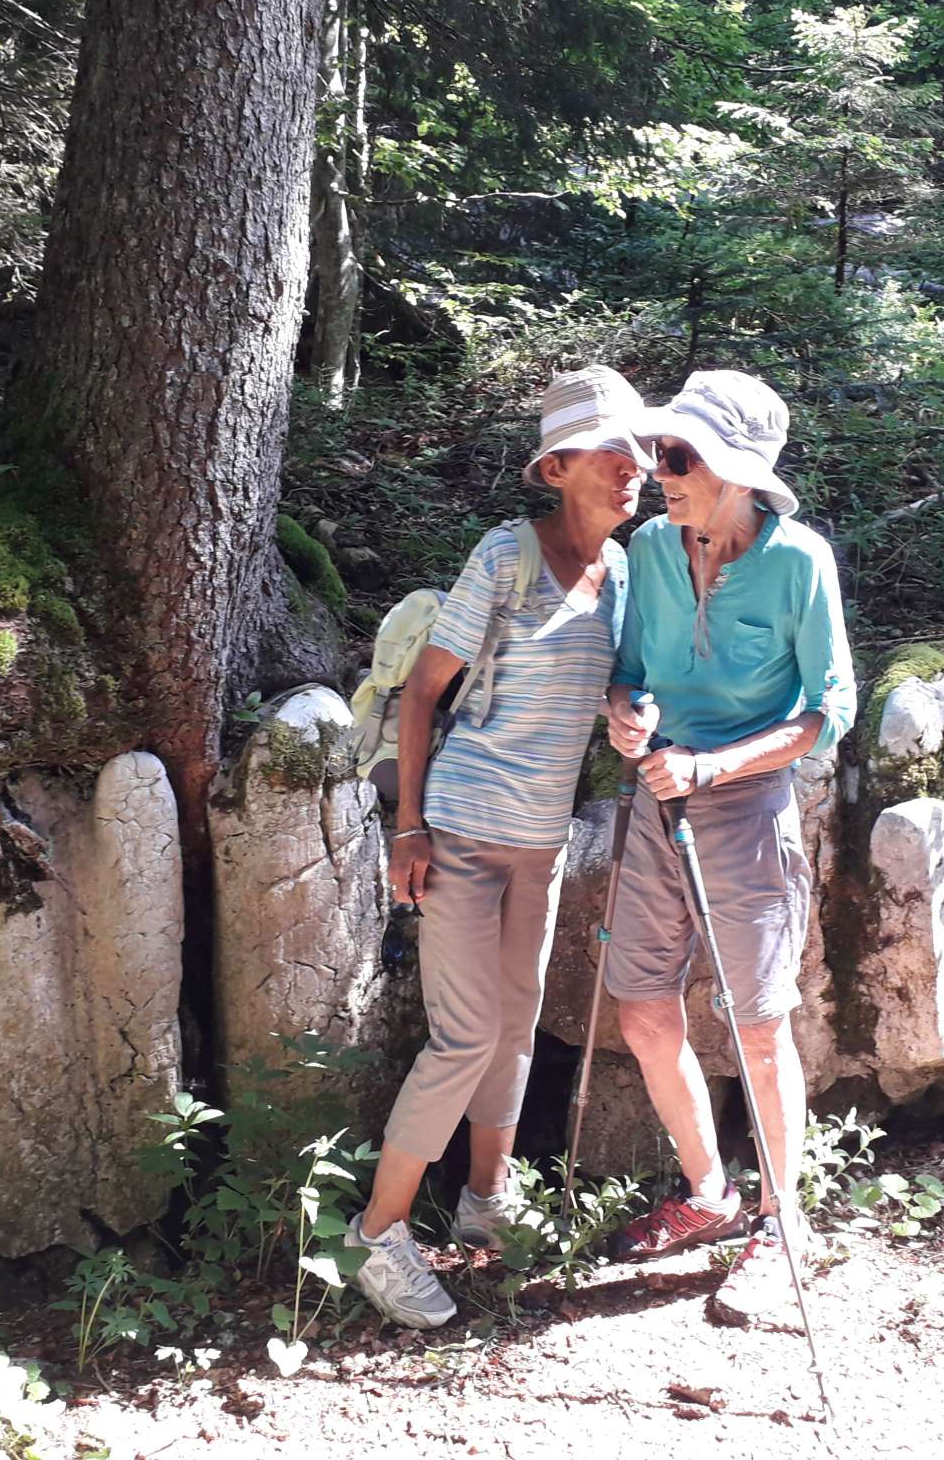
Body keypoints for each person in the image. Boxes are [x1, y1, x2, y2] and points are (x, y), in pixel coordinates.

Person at [345, 364, 655, 1329]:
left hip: (541, 842)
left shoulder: (624, 572)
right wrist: (409, 825)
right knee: (468, 1035)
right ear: (556, 468)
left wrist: (626, 707)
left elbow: (615, 680)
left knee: (516, 1027)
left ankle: (485, 1202)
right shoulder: (505, 556)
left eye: (640, 451)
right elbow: (424, 692)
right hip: (464, 832)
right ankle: (376, 1234)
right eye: (612, 452)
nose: (634, 467)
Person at [599, 368, 856, 1323]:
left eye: (678, 455)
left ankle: (784, 1225)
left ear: (737, 472)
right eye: (658, 450)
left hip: (746, 811)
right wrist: (626, 714)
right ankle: (710, 1196)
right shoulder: (649, 549)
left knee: (756, 1026)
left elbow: (830, 710)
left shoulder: (800, 562)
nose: (657, 470)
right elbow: (629, 672)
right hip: (656, 796)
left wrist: (717, 767)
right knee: (641, 1011)